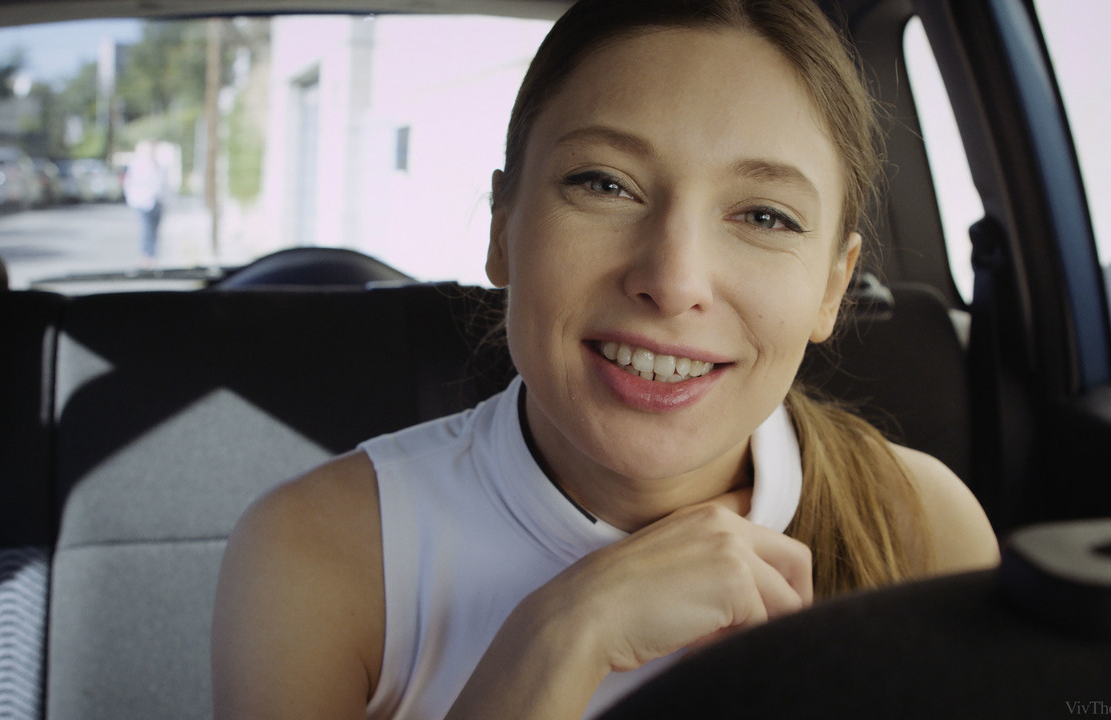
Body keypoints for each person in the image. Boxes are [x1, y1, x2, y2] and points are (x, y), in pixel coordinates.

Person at [210, 1, 1000, 718]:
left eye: (765, 215)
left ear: (833, 286)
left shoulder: (925, 528)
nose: (673, 280)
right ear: (502, 228)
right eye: (605, 184)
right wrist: (556, 640)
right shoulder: (319, 556)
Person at [123, 139, 167, 269]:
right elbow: (131, 184)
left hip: (157, 203)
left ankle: (153, 256)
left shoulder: (160, 164)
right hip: (144, 202)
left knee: (155, 231)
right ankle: (145, 257)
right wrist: (135, 200)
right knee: (146, 229)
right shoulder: (139, 164)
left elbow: (165, 185)